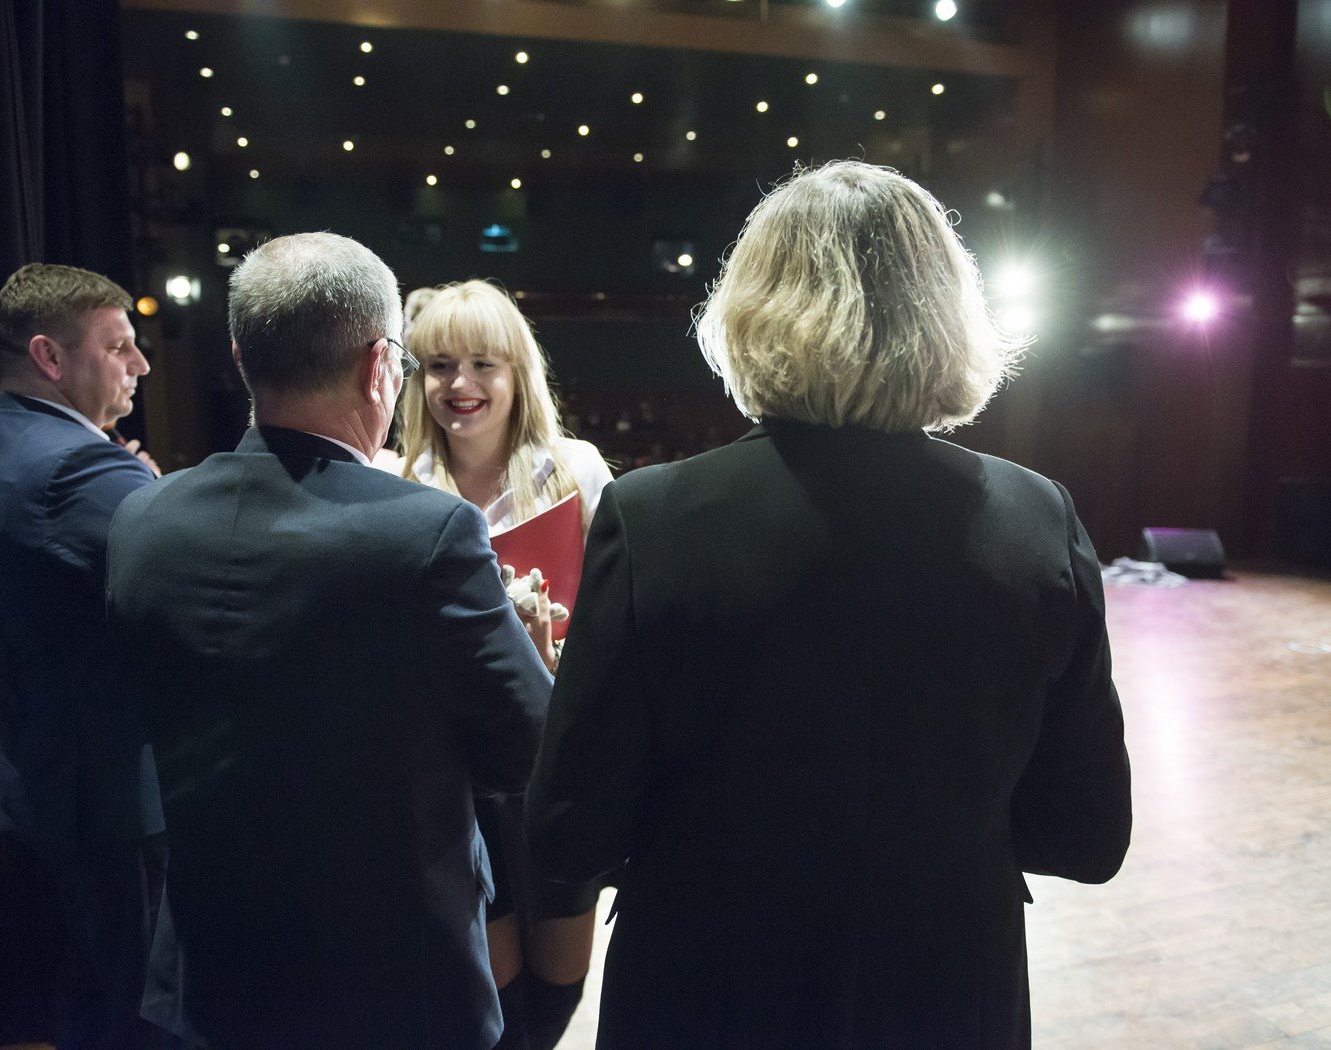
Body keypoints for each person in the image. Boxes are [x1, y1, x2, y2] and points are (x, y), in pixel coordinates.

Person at [525, 161, 1133, 1049]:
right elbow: (1087, 835)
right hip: (945, 986)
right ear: (946, 315)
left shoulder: (654, 517)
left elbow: (570, 831)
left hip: (706, 988)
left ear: (752, 309)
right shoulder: (1037, 517)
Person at [105, 233, 551, 1049]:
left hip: (212, 970)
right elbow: (526, 748)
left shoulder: (142, 520)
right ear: (380, 366)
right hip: (391, 977)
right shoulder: (427, 534)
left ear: (242, 357)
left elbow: (139, 714)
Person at [397, 280, 613, 1050]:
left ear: (517, 372)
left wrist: (556, 648)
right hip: (449, 776)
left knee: (559, 984)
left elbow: (618, 621)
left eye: (482, 363)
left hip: (554, 766)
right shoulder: (394, 483)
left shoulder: (577, 472)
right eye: (439, 365)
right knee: (491, 997)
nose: (460, 384)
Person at [0, 262, 165, 1049]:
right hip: (110, 796)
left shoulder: (8, 431)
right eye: (116, 347)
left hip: (55, 779)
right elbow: (194, 558)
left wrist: (138, 484)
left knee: (93, 997)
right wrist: (145, 490)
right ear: (48, 357)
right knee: (144, 1013)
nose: (139, 363)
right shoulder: (72, 469)